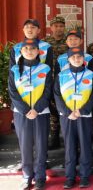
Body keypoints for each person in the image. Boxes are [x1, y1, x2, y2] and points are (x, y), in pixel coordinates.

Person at [8, 39, 52, 190]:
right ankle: (27, 176)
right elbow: (13, 92)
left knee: (41, 145)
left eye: (32, 49)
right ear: (21, 51)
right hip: (21, 113)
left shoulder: (45, 69)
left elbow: (48, 91)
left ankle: (40, 177)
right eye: (26, 48)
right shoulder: (14, 69)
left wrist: (37, 109)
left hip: (41, 112)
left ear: (38, 51)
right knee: (25, 145)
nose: (29, 51)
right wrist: (26, 110)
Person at [54, 48, 93, 188]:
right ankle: (70, 176)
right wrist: (67, 112)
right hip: (67, 116)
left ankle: (84, 176)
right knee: (69, 146)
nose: (76, 59)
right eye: (73, 57)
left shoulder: (91, 75)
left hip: (85, 115)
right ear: (68, 59)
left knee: (85, 146)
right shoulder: (61, 75)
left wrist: (82, 110)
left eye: (79, 57)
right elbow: (57, 96)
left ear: (83, 59)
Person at [44, 16, 68, 150]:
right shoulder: (45, 43)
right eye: (56, 26)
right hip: (49, 80)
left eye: (61, 26)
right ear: (51, 27)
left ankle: (66, 136)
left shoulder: (69, 41)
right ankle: (54, 136)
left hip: (65, 81)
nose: (59, 28)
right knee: (52, 107)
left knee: (64, 106)